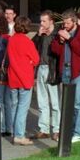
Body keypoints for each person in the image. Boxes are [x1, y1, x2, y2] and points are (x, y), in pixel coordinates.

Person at [50, 10, 80, 143]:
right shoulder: (62, 31)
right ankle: (67, 131)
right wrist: (61, 41)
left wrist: (70, 39)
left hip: (78, 72)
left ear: (74, 22)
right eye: (64, 23)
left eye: (68, 23)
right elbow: (54, 50)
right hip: (65, 71)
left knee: (78, 104)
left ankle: (78, 133)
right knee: (67, 104)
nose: (65, 25)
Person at [6, 17, 39, 145]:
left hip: (13, 77)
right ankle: (19, 135)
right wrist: (29, 62)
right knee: (22, 108)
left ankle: (15, 133)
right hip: (25, 78)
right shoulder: (27, 42)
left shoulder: (11, 40)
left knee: (14, 106)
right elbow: (36, 59)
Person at [31, 11, 60, 141]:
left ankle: (57, 129)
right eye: (41, 21)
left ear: (51, 21)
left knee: (54, 101)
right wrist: (38, 35)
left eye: (44, 21)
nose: (41, 24)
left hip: (52, 69)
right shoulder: (41, 35)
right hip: (41, 68)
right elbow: (31, 47)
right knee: (42, 101)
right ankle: (44, 129)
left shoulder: (57, 34)